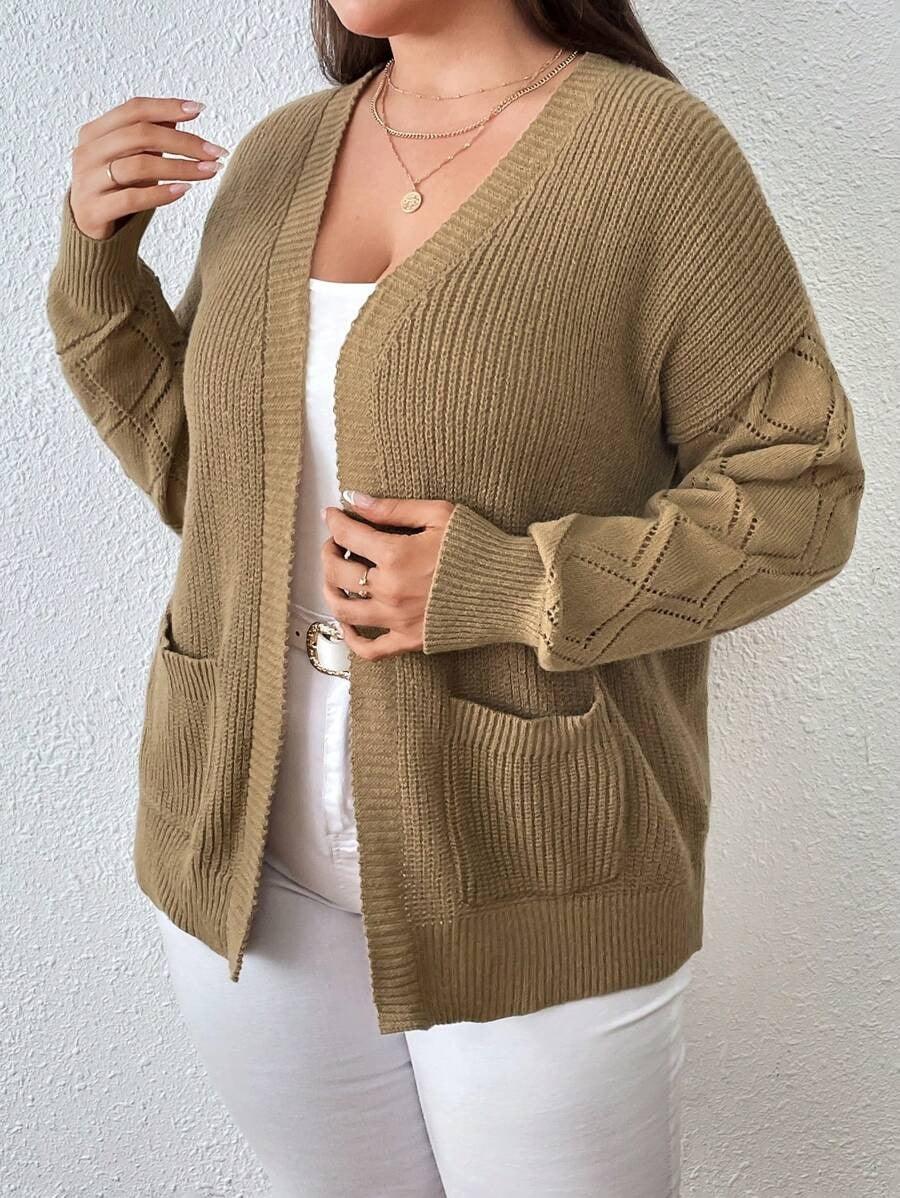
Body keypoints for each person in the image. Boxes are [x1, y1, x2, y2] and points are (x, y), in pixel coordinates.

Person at [45, 1, 865, 1194]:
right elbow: (205, 485)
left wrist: (512, 583)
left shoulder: (652, 155)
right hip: (245, 856)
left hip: (532, 863)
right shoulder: (280, 154)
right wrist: (98, 262)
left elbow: (800, 495)